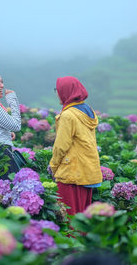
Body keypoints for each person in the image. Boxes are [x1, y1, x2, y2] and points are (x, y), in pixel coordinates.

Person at [49, 76, 102, 215]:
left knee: (68, 219)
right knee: (82, 220)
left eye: (58, 89)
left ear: (66, 91)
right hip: (87, 171)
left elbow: (61, 146)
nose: (57, 93)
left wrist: (53, 167)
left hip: (71, 173)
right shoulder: (86, 110)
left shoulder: (68, 115)